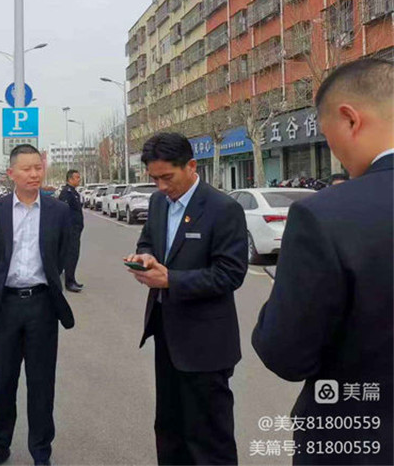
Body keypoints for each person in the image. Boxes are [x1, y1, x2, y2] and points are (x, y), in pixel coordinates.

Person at [252, 57, 394, 465]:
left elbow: (286, 354)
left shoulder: (325, 215)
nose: (337, 155)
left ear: (350, 119)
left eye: (330, 140)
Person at [125, 132, 247, 465]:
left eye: (168, 177)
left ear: (191, 166)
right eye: (155, 179)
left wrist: (171, 280)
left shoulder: (223, 208)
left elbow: (230, 274)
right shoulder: (158, 203)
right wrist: (145, 257)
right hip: (166, 333)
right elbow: (147, 241)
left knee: (208, 439)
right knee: (169, 429)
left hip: (206, 344)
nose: (161, 186)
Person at [0, 144, 74, 466]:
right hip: (6, 306)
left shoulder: (58, 211)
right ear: (11, 173)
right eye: (26, 169)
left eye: (38, 167)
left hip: (42, 305)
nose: (34, 174)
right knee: (3, 381)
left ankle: (41, 451)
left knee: (42, 383)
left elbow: (63, 254)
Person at [57, 169, 84, 292]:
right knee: (71, 256)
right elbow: (64, 212)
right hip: (70, 230)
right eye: (77, 177)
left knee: (74, 255)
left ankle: (72, 279)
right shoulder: (66, 193)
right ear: (70, 179)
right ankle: (69, 282)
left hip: (76, 230)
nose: (79, 179)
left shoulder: (73, 192)